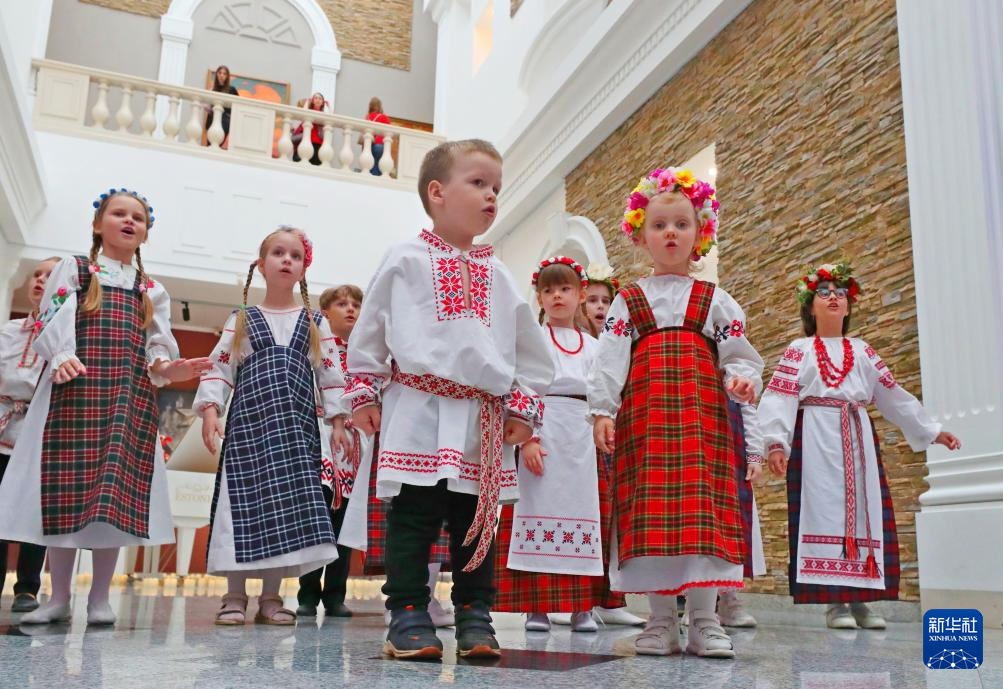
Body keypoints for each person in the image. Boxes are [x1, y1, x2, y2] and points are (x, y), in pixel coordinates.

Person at [344, 139, 554, 660]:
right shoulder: (404, 259)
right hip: (417, 406)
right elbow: (370, 331)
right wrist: (365, 391)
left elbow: (531, 353)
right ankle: (407, 613)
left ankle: (475, 614)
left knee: (476, 520)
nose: (491, 195)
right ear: (437, 193)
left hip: (482, 417)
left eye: (496, 187)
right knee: (413, 516)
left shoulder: (499, 274)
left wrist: (524, 408)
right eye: (478, 183)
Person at [0, 189, 211, 626]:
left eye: (138, 217)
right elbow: (51, 316)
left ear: (146, 233)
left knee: (115, 495)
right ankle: (58, 597)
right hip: (73, 395)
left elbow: (157, 347)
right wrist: (60, 353)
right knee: (64, 490)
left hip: (126, 400)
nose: (129, 221)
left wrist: (169, 368)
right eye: (119, 213)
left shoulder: (150, 288)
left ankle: (99, 598)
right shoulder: (76, 270)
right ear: (98, 224)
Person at [588, 167, 763, 659]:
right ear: (641, 236)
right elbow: (609, 360)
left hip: (702, 422)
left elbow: (739, 355)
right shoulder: (629, 300)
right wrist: (602, 410)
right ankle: (661, 619)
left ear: (699, 234)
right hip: (644, 422)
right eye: (660, 224)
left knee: (702, 510)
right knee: (647, 511)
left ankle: (706, 620)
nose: (670, 232)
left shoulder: (715, 299)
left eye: (681, 224)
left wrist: (741, 378)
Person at [758, 262, 961, 630]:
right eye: (823, 293)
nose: (833, 297)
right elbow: (780, 396)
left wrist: (931, 430)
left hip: (857, 437)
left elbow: (892, 394)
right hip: (816, 436)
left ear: (848, 306)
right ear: (810, 307)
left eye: (840, 293)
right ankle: (835, 603)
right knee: (823, 508)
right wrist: (775, 443)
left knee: (864, 511)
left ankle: (862, 599)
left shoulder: (863, 351)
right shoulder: (799, 350)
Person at [195, 226, 347, 626]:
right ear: (261, 265)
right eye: (278, 253)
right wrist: (211, 411)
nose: (287, 260)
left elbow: (331, 375)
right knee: (239, 503)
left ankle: (272, 597)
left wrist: (338, 421)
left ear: (303, 269)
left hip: (297, 431)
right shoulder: (241, 319)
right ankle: (233, 596)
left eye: (295, 256)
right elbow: (219, 368)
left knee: (286, 507)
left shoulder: (315, 321)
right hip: (248, 427)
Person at [494, 257, 608, 633]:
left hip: (582, 435)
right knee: (535, 508)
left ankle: (582, 607)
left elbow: (603, 391)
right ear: (540, 298)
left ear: (580, 295)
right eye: (548, 290)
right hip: (543, 427)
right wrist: (529, 438)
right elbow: (522, 387)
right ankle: (536, 607)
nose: (557, 296)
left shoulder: (594, 346)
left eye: (565, 289)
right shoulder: (534, 342)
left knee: (586, 514)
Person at [296, 284, 366, 618]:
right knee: (316, 518)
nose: (350, 309)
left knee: (345, 523)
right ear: (324, 312)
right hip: (321, 437)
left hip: (354, 444)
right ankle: (307, 594)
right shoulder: (313, 347)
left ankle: (335, 595)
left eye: (356, 304)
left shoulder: (367, 354)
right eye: (341, 304)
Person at [0, 256, 60, 613]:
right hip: (4, 425)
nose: (39, 280)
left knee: (34, 512)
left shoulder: (66, 336)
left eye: (49, 275)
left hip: (40, 430)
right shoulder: (8, 330)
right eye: (36, 274)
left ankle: (27, 588)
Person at [205, 65, 239, 148]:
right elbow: (208, 109)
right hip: (212, 121)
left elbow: (238, 106)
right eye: (219, 73)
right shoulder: (212, 90)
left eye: (224, 73)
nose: (221, 75)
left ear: (227, 76)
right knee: (209, 146)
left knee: (217, 145)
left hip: (225, 122)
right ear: (217, 74)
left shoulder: (232, 90)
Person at [292, 93, 329, 166]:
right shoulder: (309, 110)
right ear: (312, 100)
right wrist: (307, 102)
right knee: (303, 164)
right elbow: (304, 112)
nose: (318, 100)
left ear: (322, 102)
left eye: (320, 98)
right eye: (316, 98)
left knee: (315, 164)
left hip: (318, 142)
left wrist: (327, 105)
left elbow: (329, 116)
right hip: (307, 141)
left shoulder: (324, 112)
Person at [365, 97, 391, 176]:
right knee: (378, 167)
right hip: (381, 146)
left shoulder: (367, 117)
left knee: (370, 166)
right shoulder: (384, 117)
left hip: (370, 145)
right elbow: (390, 132)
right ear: (380, 106)